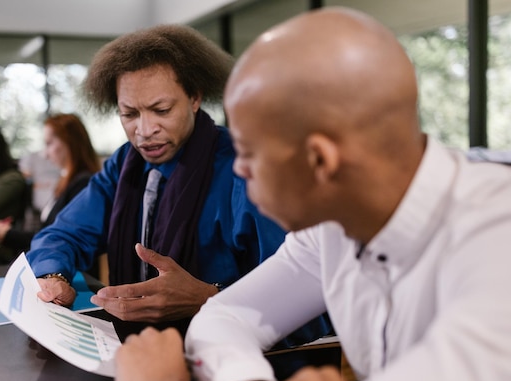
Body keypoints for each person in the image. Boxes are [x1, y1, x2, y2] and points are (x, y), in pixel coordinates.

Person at [113, 7, 511, 381]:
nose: (238, 169)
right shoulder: (333, 223)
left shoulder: (499, 247)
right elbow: (225, 315)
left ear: (320, 160)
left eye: (249, 153)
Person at [26, 24, 327, 340]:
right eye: (129, 114)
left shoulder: (246, 170)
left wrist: (208, 297)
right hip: (135, 349)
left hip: (239, 355)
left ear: (195, 98)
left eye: (161, 109)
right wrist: (53, 276)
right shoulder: (122, 165)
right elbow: (65, 233)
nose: (144, 129)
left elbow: (303, 299)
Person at [0, 113, 101, 255]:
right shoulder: (68, 181)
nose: (45, 154)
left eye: (49, 143)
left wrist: (10, 234)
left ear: (70, 142)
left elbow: (57, 240)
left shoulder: (83, 184)